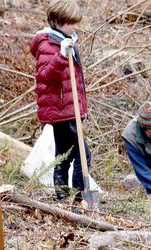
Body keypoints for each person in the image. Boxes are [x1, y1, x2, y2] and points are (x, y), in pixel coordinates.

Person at [29, 0, 91, 201]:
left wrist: (82, 108)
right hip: (61, 110)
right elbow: (46, 75)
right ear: (57, 21)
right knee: (82, 156)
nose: (73, 27)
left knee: (63, 155)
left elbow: (75, 81)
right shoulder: (48, 44)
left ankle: (62, 198)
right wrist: (62, 55)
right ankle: (80, 199)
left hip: (69, 108)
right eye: (70, 23)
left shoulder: (66, 39)